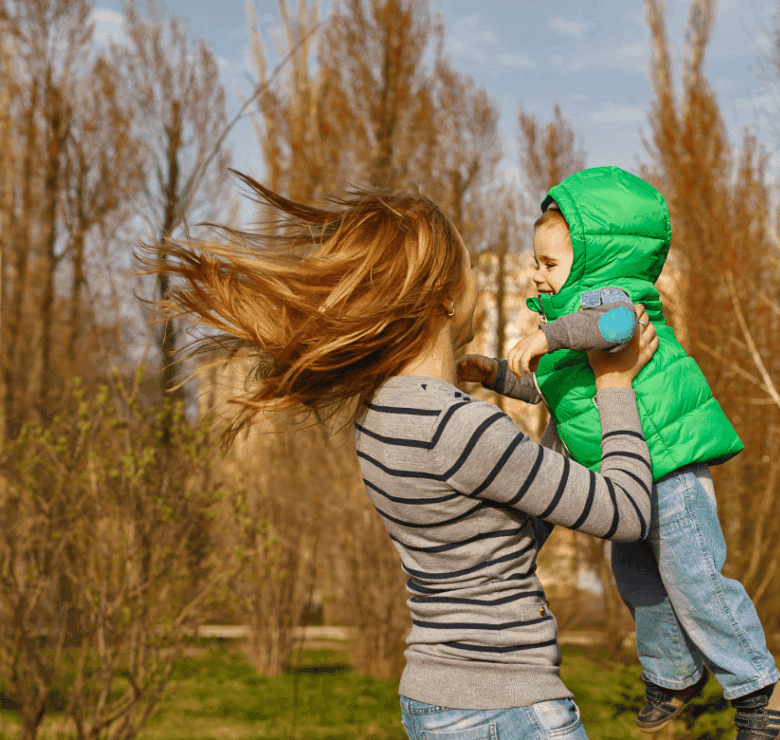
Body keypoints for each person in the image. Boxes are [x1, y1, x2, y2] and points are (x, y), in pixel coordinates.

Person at [141, 172, 663, 740]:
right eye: (468, 268)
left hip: (435, 702)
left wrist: (564, 410)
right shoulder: (459, 427)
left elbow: (506, 539)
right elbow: (627, 513)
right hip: (508, 707)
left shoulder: (381, 414)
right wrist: (613, 384)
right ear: (444, 298)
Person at [456, 166, 780, 739]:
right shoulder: (567, 325)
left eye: (549, 264)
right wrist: (493, 373)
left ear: (594, 260)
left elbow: (613, 328)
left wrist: (546, 337)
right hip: (628, 482)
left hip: (670, 469)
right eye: (536, 262)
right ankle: (673, 676)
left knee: (694, 580)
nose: (536, 275)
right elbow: (549, 392)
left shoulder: (612, 302)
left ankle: (760, 688)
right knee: (638, 582)